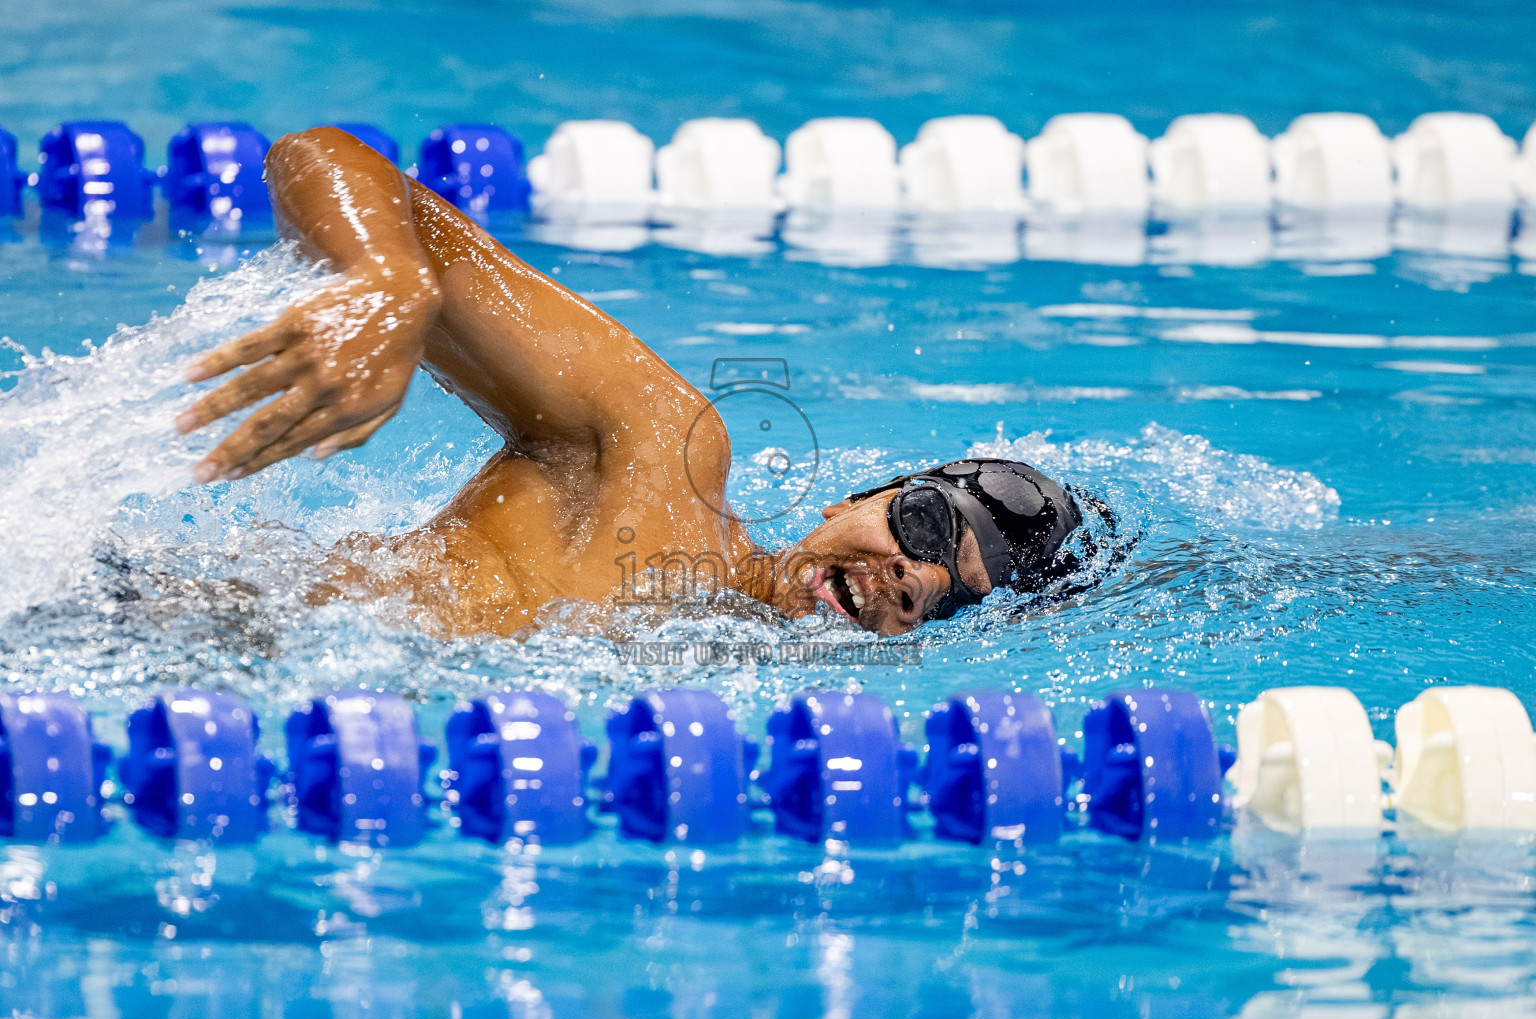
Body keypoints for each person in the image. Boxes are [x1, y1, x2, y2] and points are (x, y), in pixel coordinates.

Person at [175, 127, 1091, 639]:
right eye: (924, 526)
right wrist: (387, 283)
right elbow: (324, 159)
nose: (910, 577)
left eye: (951, 594)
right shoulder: (657, 455)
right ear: (864, 494)